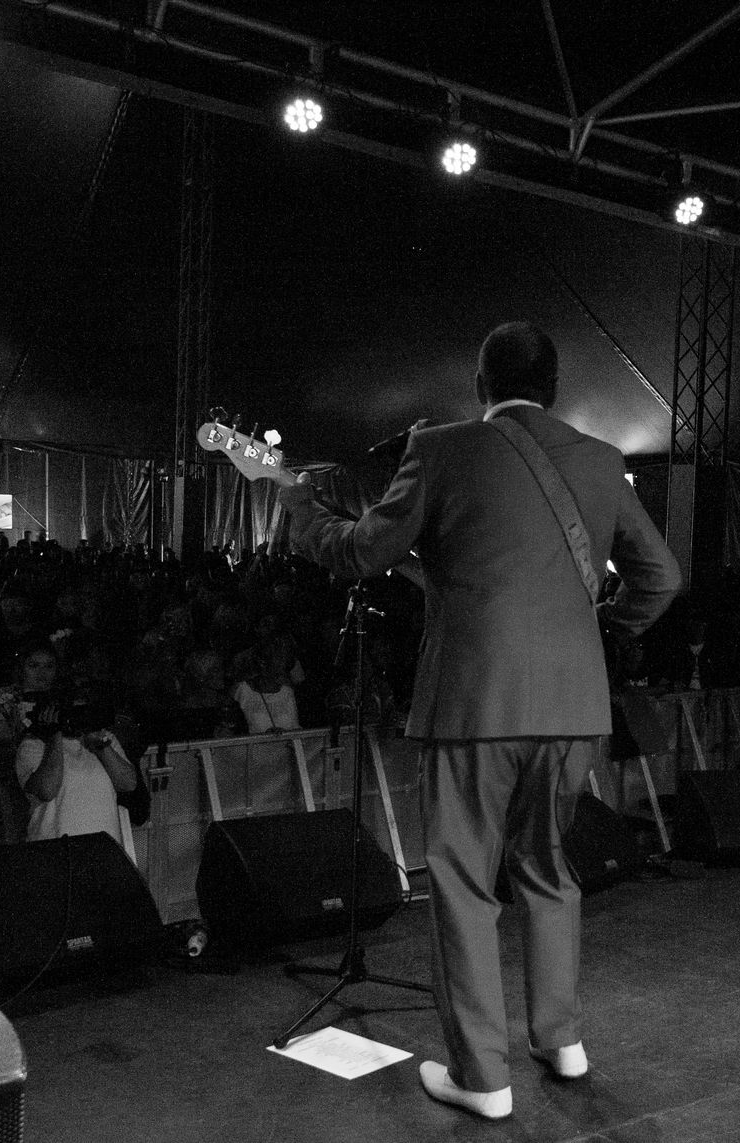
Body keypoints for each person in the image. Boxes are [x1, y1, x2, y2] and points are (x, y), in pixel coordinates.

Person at [280, 321, 681, 1120]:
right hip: (573, 705)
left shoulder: (441, 448)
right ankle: (561, 1039)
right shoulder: (604, 460)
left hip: (475, 702)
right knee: (549, 867)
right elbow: (662, 577)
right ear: (555, 388)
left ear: (480, 384)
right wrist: (609, 623)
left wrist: (301, 508)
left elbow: (361, 552)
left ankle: (482, 1076)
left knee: (464, 882)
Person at [14, 692, 137, 846]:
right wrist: (54, 736)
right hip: (57, 852)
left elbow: (128, 784)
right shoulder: (33, 745)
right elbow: (47, 790)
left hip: (104, 849)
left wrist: (100, 745)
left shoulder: (105, 739)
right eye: (72, 711)